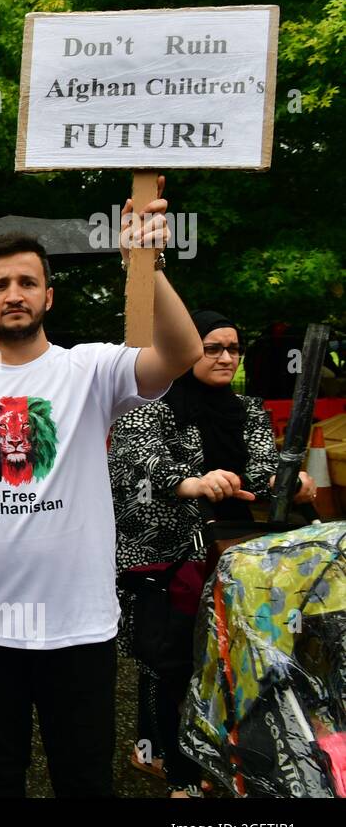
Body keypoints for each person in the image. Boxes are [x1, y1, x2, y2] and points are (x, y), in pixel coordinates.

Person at [0, 179, 203, 797]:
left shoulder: (91, 370)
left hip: (78, 624)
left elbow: (180, 352)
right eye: (0, 285)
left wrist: (145, 263)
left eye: (27, 282)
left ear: (48, 295)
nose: (14, 294)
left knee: (84, 777)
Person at [109, 309, 317, 797]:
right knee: (170, 662)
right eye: (212, 348)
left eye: (233, 348)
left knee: (234, 659)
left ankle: (219, 757)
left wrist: (287, 482)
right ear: (187, 352)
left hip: (236, 555)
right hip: (166, 557)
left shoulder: (248, 409)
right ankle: (174, 771)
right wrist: (189, 483)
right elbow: (136, 464)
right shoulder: (148, 406)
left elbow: (266, 466)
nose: (225, 357)